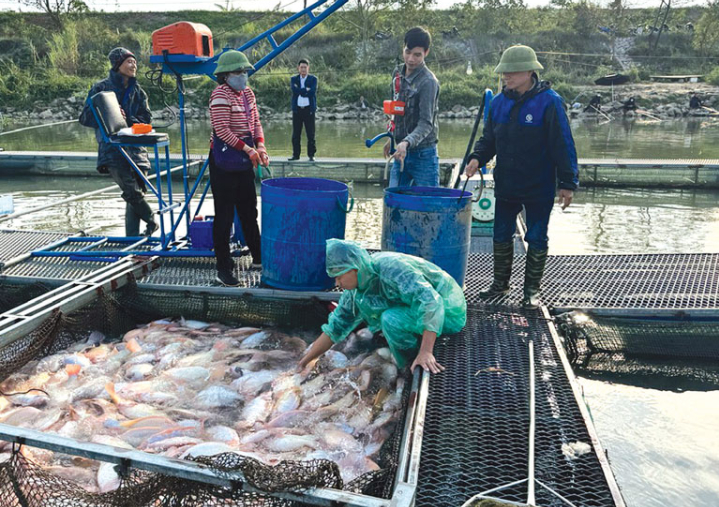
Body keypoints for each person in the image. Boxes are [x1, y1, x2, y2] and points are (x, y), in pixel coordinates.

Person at [464, 45, 579, 308]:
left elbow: (563, 144)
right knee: (501, 234)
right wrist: (476, 158)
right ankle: (500, 285)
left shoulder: (550, 102)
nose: (506, 77)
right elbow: (489, 140)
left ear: (529, 72)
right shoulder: (498, 103)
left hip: (539, 185)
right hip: (506, 183)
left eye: (512, 72)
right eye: (504, 72)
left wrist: (567, 183)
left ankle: (531, 292)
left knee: (537, 237)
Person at [297, 239, 466, 374]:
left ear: (354, 269)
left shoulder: (392, 270)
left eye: (339, 277)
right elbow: (334, 329)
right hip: (416, 307)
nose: (337, 283)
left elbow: (431, 302)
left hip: (448, 307)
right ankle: (415, 343)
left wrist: (426, 352)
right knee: (387, 317)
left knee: (390, 319)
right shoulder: (354, 292)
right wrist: (304, 362)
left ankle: (410, 363)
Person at [79, 47, 157, 237]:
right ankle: (152, 219)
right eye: (129, 62)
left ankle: (132, 239)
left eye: (135, 62)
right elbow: (84, 117)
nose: (134, 65)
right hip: (112, 150)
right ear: (117, 65)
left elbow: (146, 119)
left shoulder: (138, 91)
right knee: (131, 192)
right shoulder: (100, 89)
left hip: (137, 149)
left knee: (137, 195)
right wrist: (108, 114)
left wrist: (127, 118)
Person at [208, 50, 269, 287]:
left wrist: (261, 146)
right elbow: (222, 130)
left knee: (249, 209)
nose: (242, 76)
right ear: (225, 75)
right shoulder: (219, 95)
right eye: (237, 72)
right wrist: (248, 149)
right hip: (224, 162)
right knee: (223, 215)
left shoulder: (248, 94)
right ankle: (224, 268)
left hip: (244, 159)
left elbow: (255, 123)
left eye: (244, 72)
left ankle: (258, 257)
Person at [386, 27, 440, 188]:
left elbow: (426, 123)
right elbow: (394, 107)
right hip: (400, 152)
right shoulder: (397, 73)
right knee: (394, 201)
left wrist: (406, 142)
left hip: (423, 154)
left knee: (428, 204)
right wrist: (390, 135)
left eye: (417, 55)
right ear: (403, 47)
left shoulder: (428, 82)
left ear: (426, 53)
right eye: (407, 52)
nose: (410, 59)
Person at [289, 59, 317, 161]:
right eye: (301, 67)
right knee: (296, 134)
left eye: (305, 67)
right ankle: (296, 155)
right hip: (297, 110)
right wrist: (305, 90)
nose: (303, 69)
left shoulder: (313, 79)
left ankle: (311, 155)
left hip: (309, 110)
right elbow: (294, 91)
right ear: (298, 68)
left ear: (308, 68)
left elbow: (312, 92)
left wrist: (301, 91)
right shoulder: (294, 79)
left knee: (311, 134)